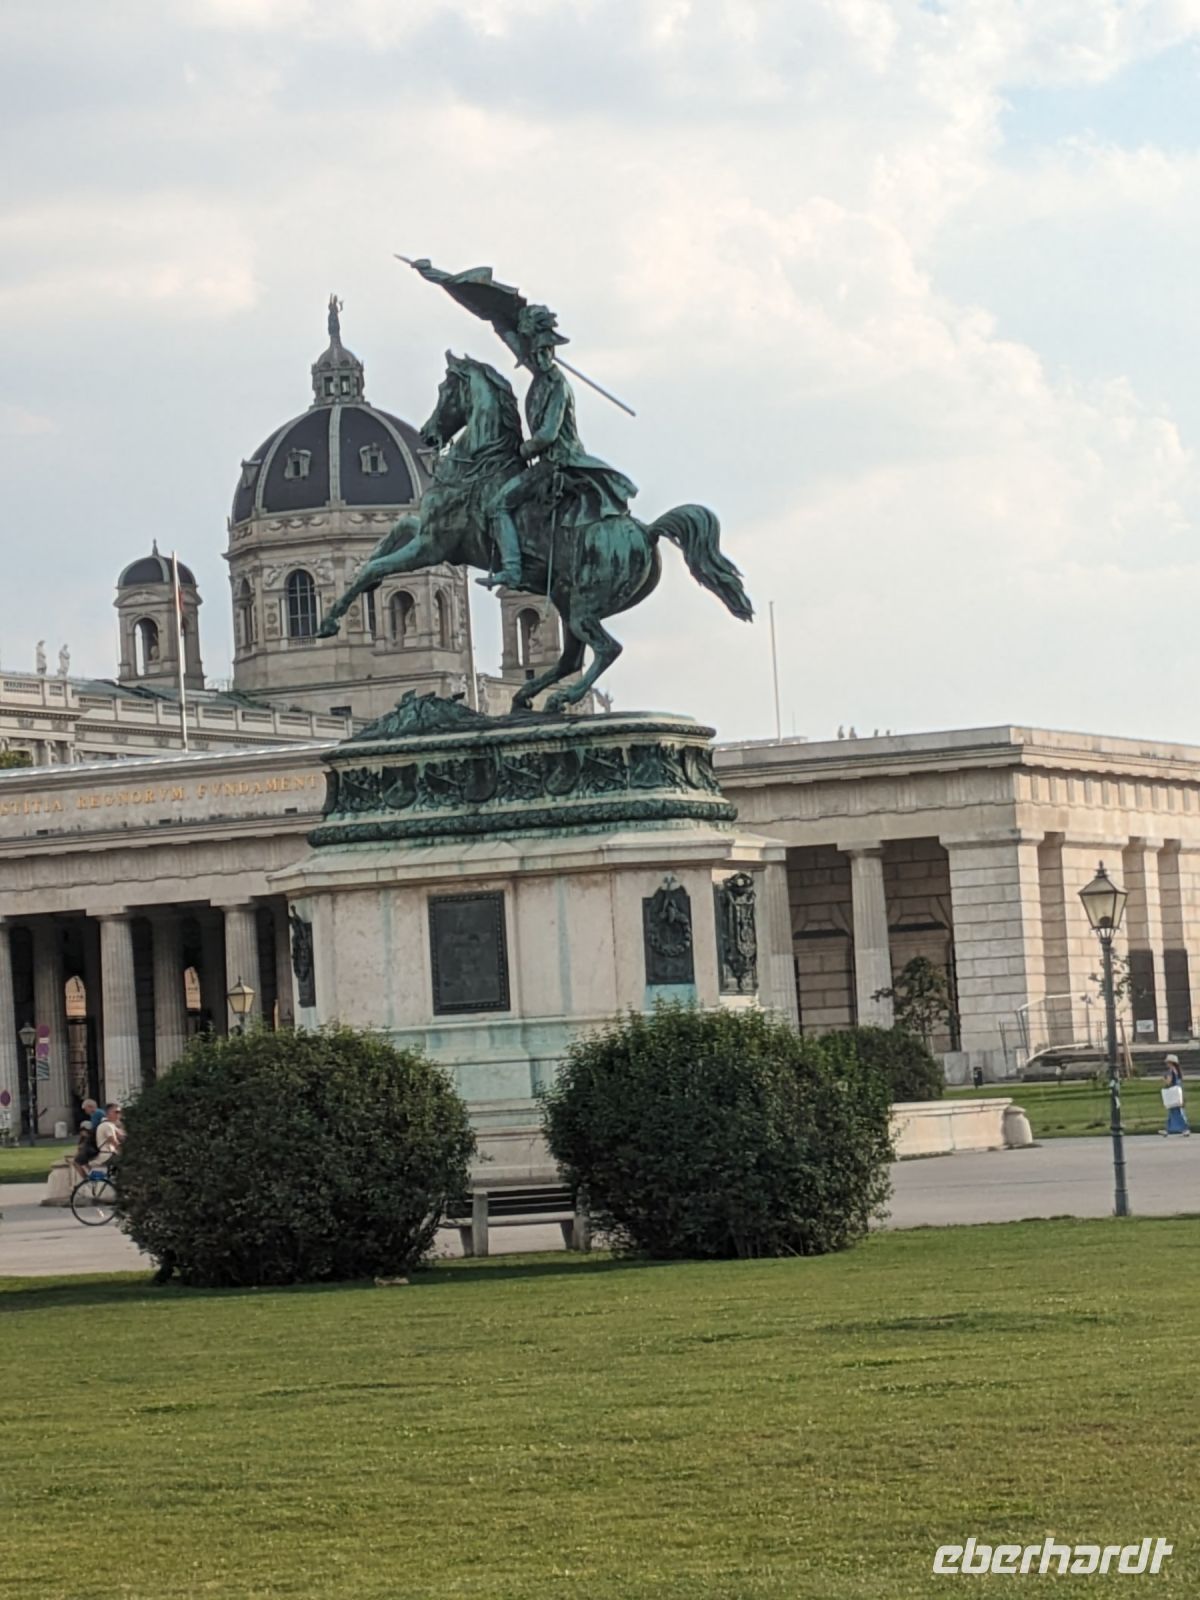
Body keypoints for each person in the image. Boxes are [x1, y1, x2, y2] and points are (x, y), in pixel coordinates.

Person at [482, 302, 636, 591]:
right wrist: (488, 306)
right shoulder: (540, 374)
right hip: (550, 460)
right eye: (534, 353)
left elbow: (548, 434)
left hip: (558, 460)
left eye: (543, 352)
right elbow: (508, 335)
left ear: (551, 352)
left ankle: (513, 570)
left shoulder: (556, 385)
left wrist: (523, 450)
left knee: (498, 505)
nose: (537, 358)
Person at [1161, 1055, 1191, 1137]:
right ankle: (1167, 1130)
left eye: (1167, 1062)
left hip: (1173, 1093)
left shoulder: (1171, 1071)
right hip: (1178, 1092)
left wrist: (1164, 1079)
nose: (1166, 1063)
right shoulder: (1178, 1071)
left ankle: (1185, 1128)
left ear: (1171, 1062)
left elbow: (1168, 1082)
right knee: (1173, 1112)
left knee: (1177, 1112)